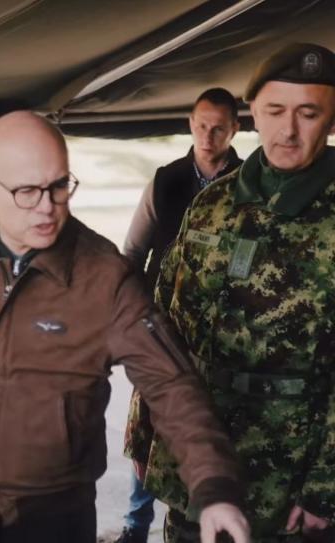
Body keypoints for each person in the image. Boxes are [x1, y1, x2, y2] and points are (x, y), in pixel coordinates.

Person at [0, 110, 250, 543]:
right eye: (27, 191)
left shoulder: (104, 276)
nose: (48, 207)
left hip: (53, 517)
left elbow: (170, 383)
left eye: (59, 185)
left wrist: (213, 486)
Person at [145, 42, 335, 542]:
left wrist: (325, 487)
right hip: (197, 466)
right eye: (274, 111)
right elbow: (163, 324)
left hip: (290, 480)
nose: (288, 130)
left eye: (308, 113)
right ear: (253, 112)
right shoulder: (213, 202)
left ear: (332, 119)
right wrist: (145, 436)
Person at [118, 88, 242, 543]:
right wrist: (133, 321)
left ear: (235, 130)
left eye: (218, 128)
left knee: (210, 426)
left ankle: (209, 513)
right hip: (164, 327)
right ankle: (136, 524)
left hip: (226, 337)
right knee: (150, 426)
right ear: (190, 123)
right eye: (200, 125)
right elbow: (132, 254)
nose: (207, 136)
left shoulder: (250, 184)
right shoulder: (165, 181)